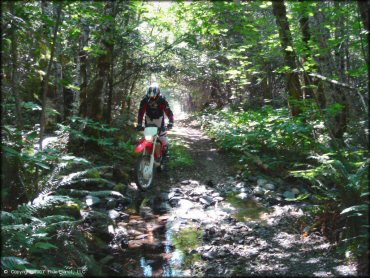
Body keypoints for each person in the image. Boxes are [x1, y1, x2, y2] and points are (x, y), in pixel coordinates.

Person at [136, 83, 174, 163]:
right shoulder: (145, 100)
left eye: (154, 97)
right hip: (148, 120)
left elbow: (168, 112)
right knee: (148, 138)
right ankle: (146, 154)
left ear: (157, 94)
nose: (152, 98)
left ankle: (163, 157)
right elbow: (141, 112)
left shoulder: (162, 100)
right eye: (150, 97)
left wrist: (171, 122)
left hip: (159, 120)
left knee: (163, 140)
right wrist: (139, 124)